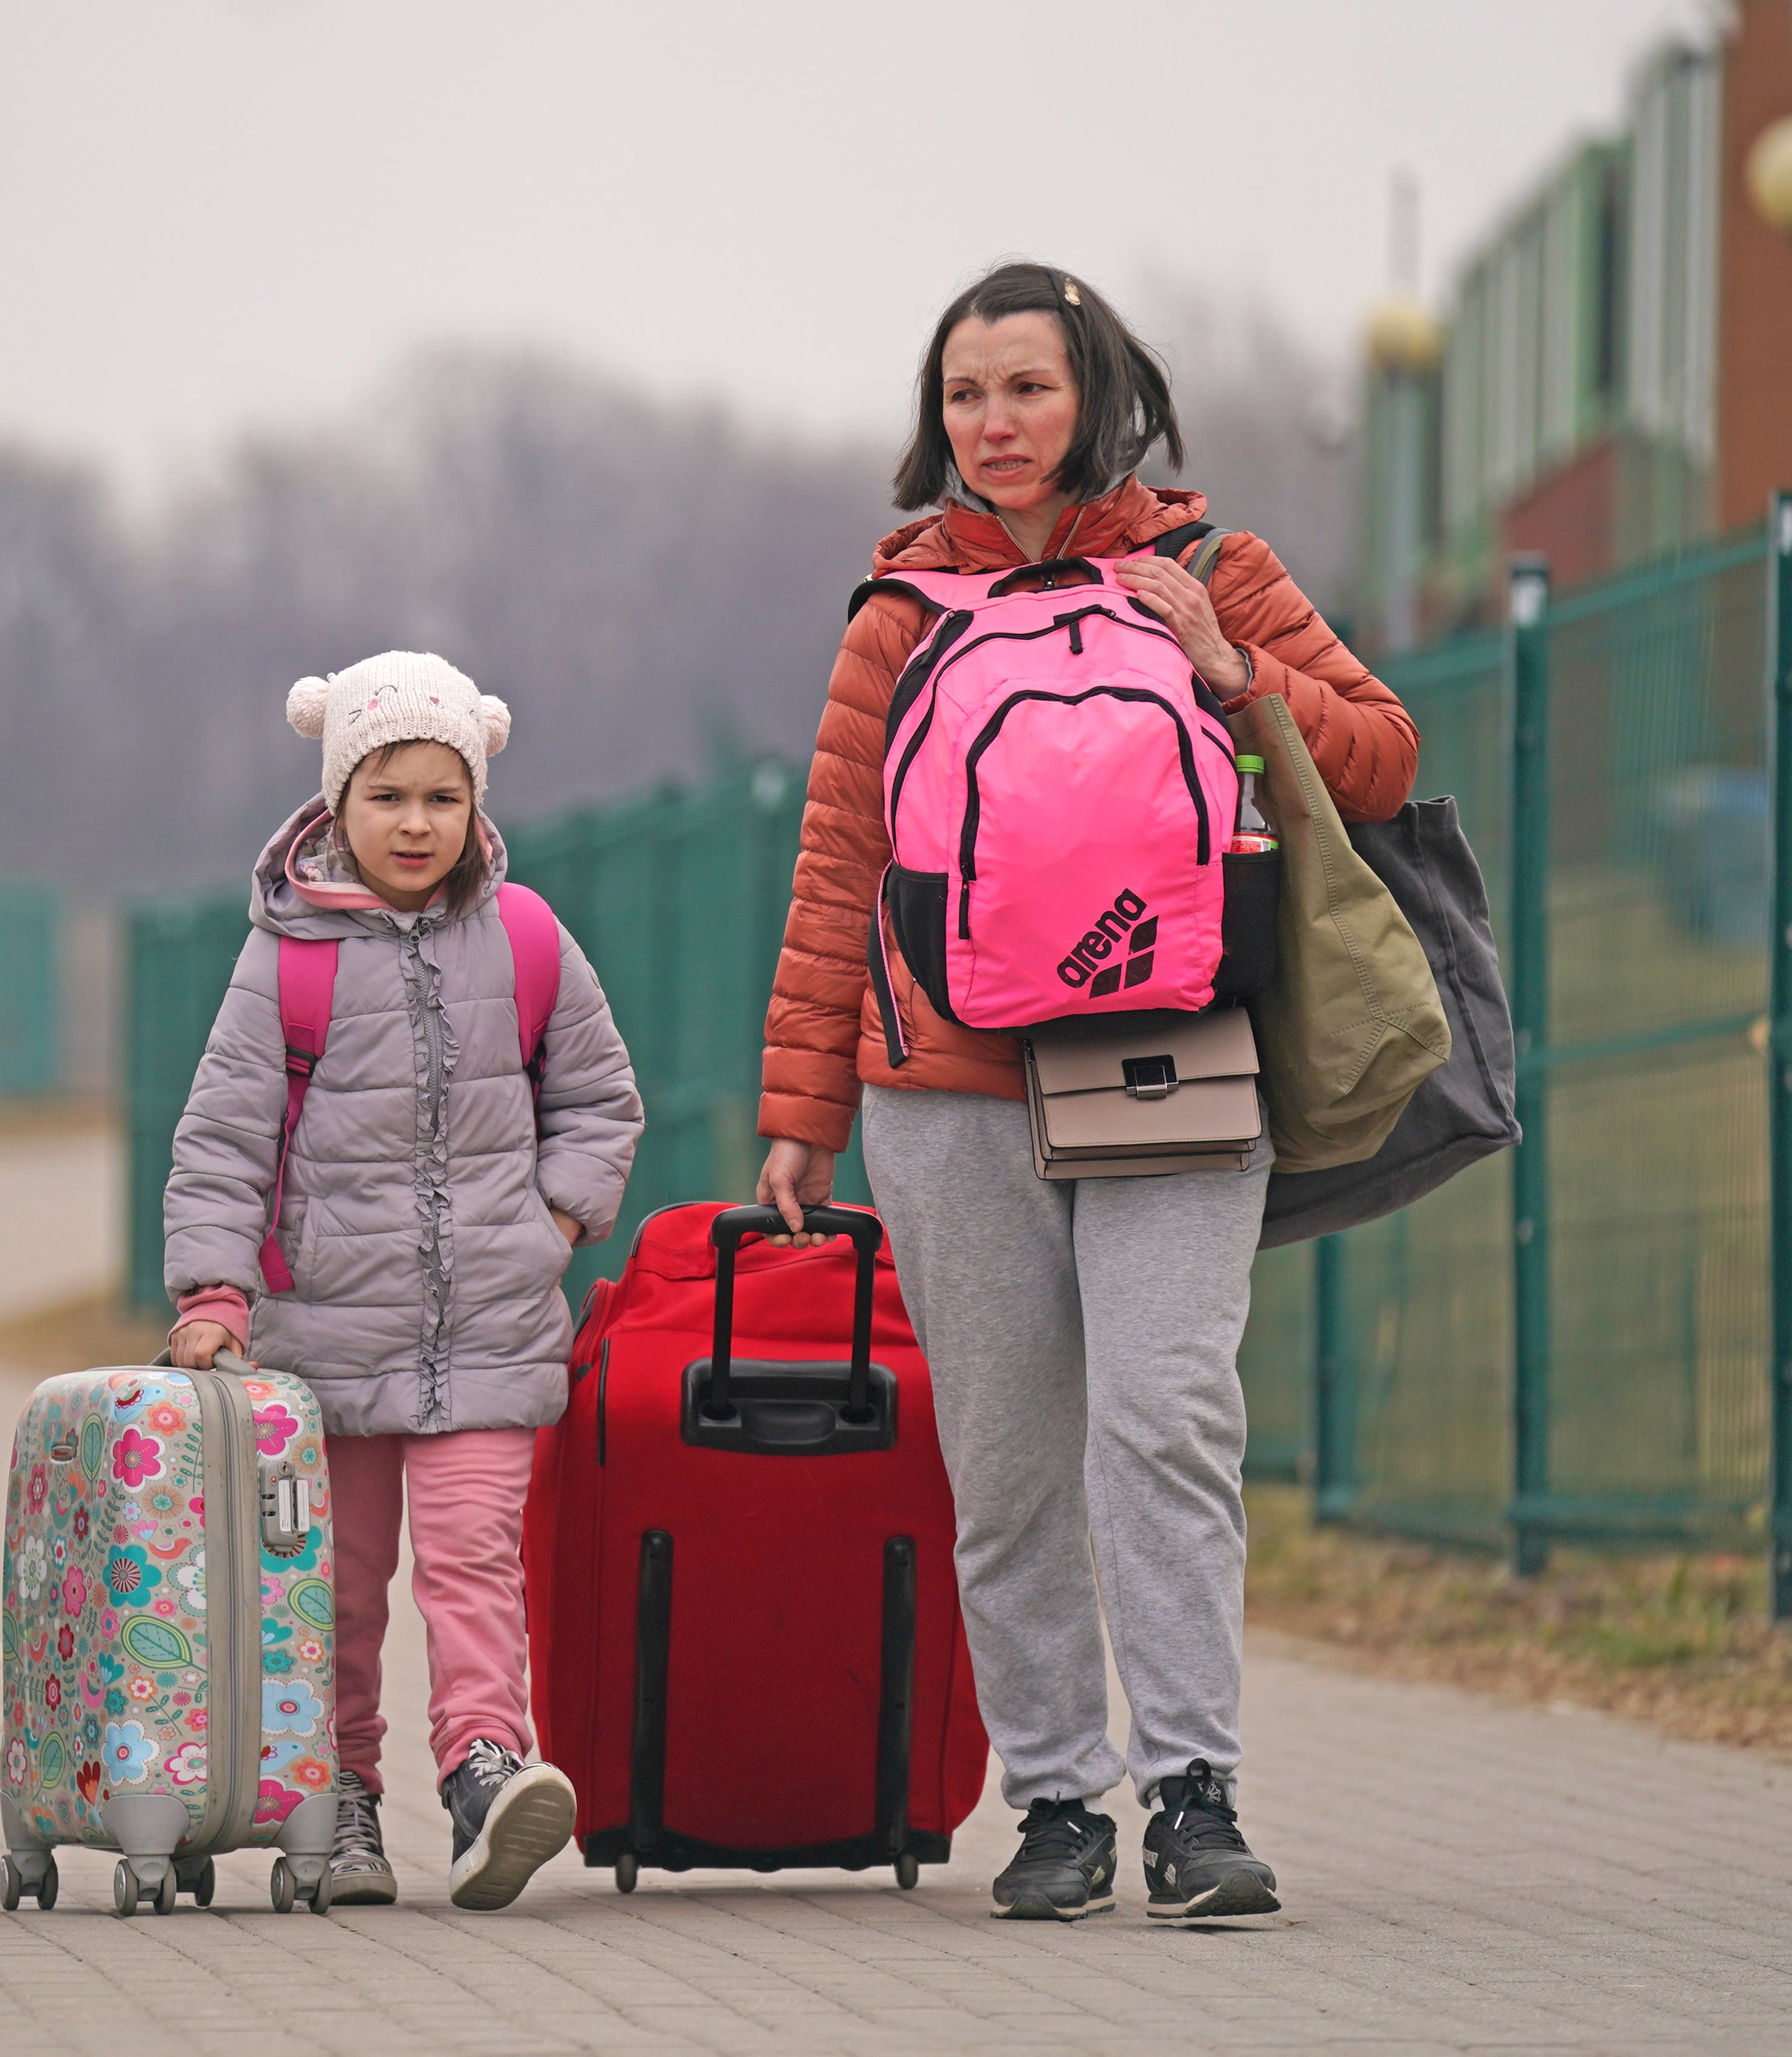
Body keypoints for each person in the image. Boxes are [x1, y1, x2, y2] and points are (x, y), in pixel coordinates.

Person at [756, 262, 1417, 1923]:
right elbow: (836, 864)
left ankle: (1196, 1794)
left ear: (1099, 397)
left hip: (1178, 1052)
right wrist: (802, 1111)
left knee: (1167, 1418)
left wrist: (1238, 674)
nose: (995, 424)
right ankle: (1057, 1799)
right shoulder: (894, 617)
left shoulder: (1213, 570)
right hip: (947, 1081)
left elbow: (1385, 756)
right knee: (1009, 1456)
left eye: (1028, 389)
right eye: (966, 396)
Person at [162, 654, 643, 1910]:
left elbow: (599, 1093)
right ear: (336, 806)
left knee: (477, 1557)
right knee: (342, 1585)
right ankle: (345, 1797)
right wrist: (215, 1295)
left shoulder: (527, 937)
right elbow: (222, 1139)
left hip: (490, 1327)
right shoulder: (287, 964)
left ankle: (487, 1770)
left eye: (441, 796)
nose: (417, 823)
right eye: (388, 796)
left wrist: (554, 1216)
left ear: (474, 801)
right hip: (327, 1342)